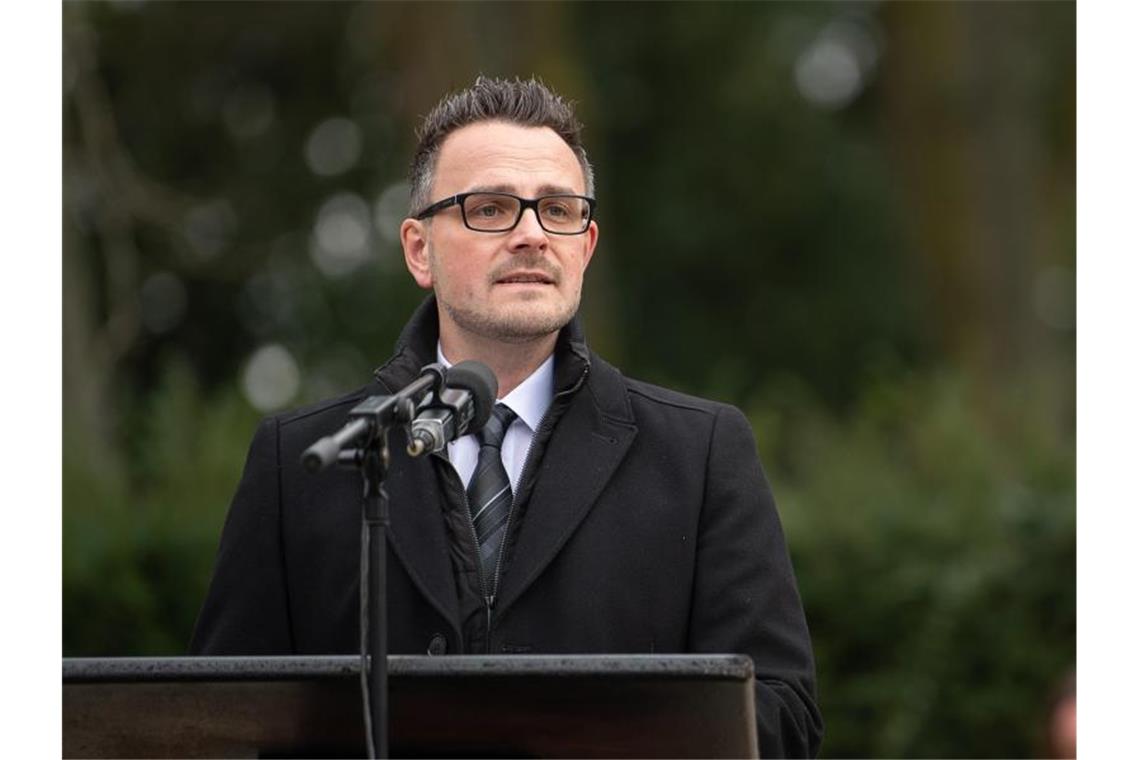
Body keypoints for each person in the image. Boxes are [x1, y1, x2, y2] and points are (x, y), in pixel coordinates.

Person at [190, 76, 823, 757]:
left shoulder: (700, 453)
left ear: (586, 244)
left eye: (558, 210)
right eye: (490, 209)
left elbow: (781, 718)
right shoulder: (301, 461)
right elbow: (218, 723)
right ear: (417, 249)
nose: (530, 235)